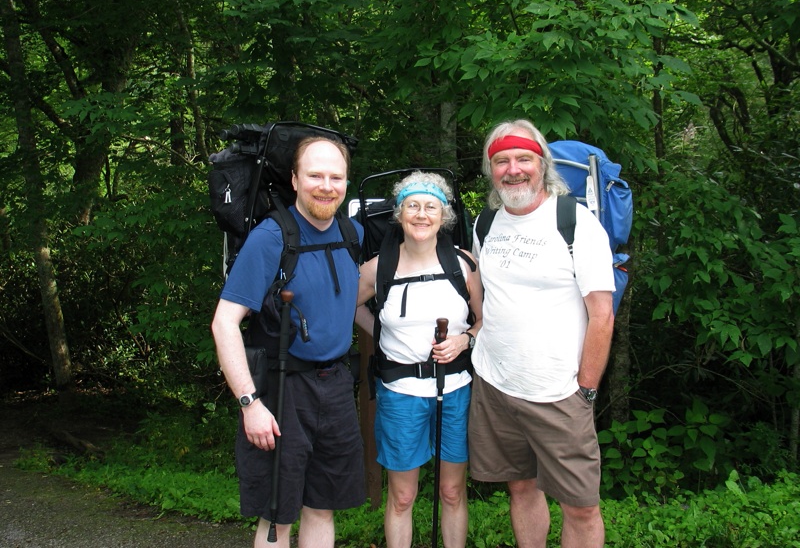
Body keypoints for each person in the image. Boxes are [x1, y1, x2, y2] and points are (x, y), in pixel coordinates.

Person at [211, 136, 366, 548]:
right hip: (282, 390)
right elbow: (224, 322)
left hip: (335, 386)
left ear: (347, 183)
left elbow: (353, 299)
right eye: (315, 175)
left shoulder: (352, 233)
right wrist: (249, 403)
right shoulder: (272, 237)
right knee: (278, 515)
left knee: (322, 506)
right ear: (295, 180)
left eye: (336, 176)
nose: (326, 185)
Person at [468, 119, 615, 548]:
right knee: (520, 488)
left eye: (523, 158)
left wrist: (585, 391)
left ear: (541, 163)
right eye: (501, 161)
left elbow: (602, 316)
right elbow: (486, 296)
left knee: (582, 506)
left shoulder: (576, 223)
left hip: (559, 392)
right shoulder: (486, 223)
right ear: (491, 169)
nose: (513, 169)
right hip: (496, 387)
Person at [355, 171, 483, 548]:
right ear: (399, 213)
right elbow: (349, 306)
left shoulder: (464, 265)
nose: (422, 214)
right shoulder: (379, 268)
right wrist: (383, 336)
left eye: (431, 206)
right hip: (400, 393)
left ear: (444, 216)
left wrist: (464, 341)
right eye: (413, 205)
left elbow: (485, 320)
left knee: (452, 492)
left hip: (455, 390)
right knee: (403, 496)